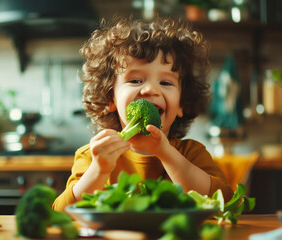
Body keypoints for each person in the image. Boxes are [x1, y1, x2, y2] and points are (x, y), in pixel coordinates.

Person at [53, 16, 233, 212]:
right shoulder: (93, 156)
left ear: (182, 103)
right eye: (136, 80)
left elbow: (226, 202)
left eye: (165, 82)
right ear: (110, 98)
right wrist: (99, 171)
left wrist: (166, 153)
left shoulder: (191, 154)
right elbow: (61, 212)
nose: (150, 90)